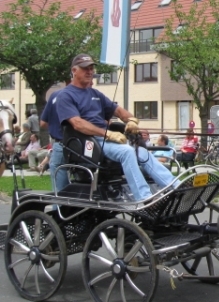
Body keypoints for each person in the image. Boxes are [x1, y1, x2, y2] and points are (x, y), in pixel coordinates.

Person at [56, 54, 179, 201]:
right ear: (74, 71)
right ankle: (144, 198)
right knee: (127, 151)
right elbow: (78, 123)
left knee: (142, 152)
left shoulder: (95, 94)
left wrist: (131, 120)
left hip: (106, 139)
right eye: (85, 69)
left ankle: (175, 187)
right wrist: (107, 134)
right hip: (88, 142)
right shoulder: (65, 95)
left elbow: (119, 111)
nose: (89, 72)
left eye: (91, 68)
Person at [40, 81, 71, 191]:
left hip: (60, 144)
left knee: (59, 191)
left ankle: (59, 207)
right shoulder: (86, 96)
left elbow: (43, 123)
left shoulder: (55, 95)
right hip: (83, 145)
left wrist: (55, 125)